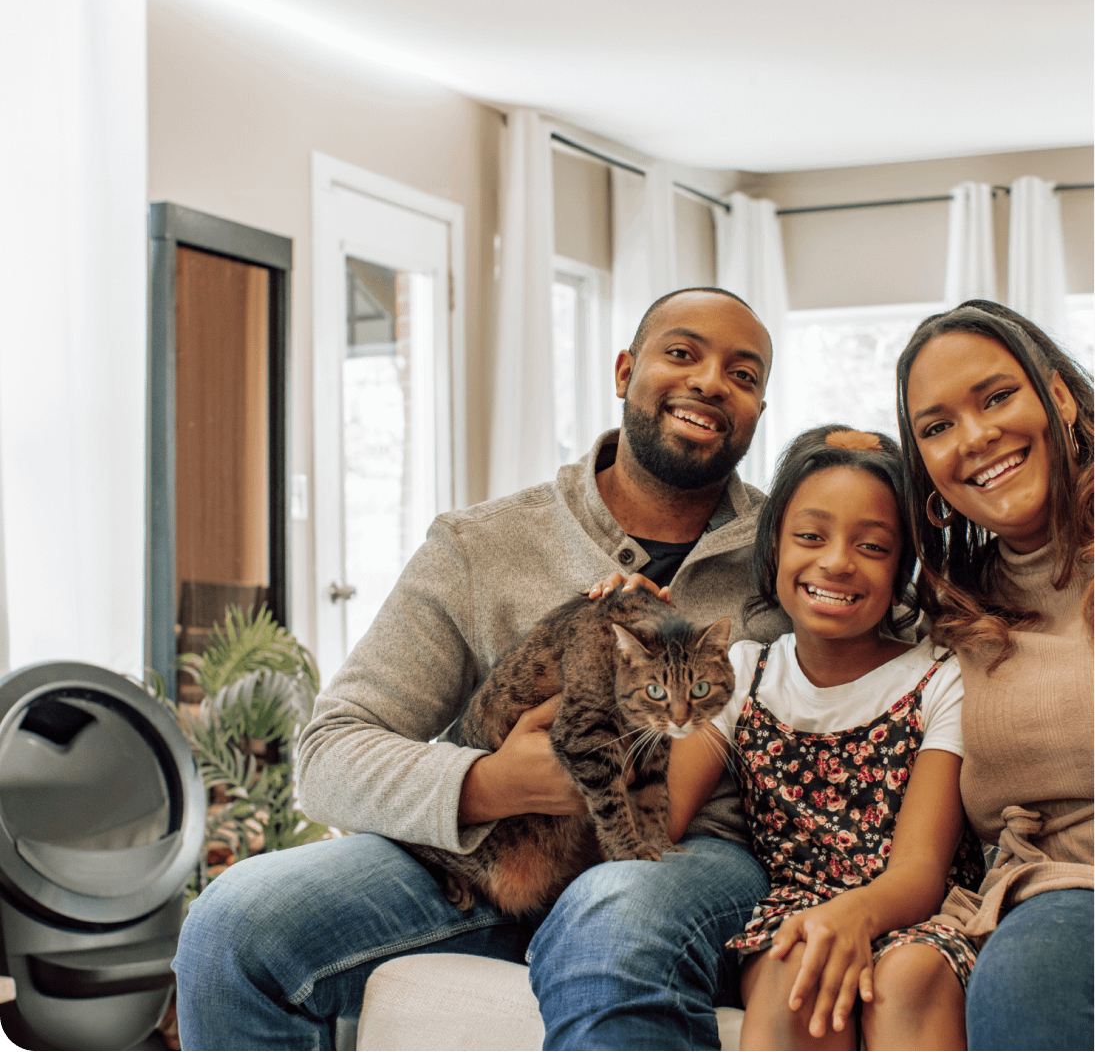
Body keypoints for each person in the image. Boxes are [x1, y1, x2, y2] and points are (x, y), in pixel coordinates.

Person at [172, 287, 790, 1052]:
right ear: (625, 370)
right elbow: (328, 751)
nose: (708, 381)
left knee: (613, 917)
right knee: (233, 923)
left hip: (689, 859)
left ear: (759, 411)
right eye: (681, 352)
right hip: (493, 856)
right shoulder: (482, 544)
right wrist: (491, 782)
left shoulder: (793, 554)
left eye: (743, 373)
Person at [603, 425, 983, 1050]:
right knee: (796, 971)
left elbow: (919, 873)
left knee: (909, 977)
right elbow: (654, 823)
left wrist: (850, 916)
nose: (836, 561)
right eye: (811, 536)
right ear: (773, 548)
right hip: (791, 917)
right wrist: (618, 641)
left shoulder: (941, 678)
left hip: (912, 912)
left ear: (901, 569)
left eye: (873, 546)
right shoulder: (741, 673)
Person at [896, 300, 1094, 1052]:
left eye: (996, 397)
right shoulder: (945, 608)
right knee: (1023, 975)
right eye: (937, 426)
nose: (975, 438)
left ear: (1060, 396)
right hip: (1054, 896)